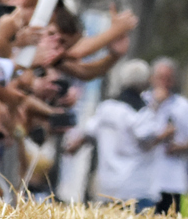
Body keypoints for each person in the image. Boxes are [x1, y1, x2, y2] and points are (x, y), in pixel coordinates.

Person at [62, 58, 163, 210]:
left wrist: (72, 147)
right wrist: (166, 131)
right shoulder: (142, 112)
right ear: (145, 82)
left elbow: (87, 133)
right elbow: (147, 138)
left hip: (107, 187)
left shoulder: (106, 107)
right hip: (136, 188)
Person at [139, 58, 188, 213]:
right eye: (160, 78)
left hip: (173, 182)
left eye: (168, 78)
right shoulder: (143, 101)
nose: (164, 83)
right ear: (152, 79)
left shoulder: (183, 106)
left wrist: (179, 147)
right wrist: (156, 104)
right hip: (144, 181)